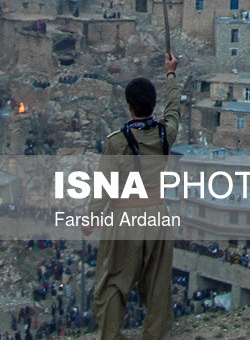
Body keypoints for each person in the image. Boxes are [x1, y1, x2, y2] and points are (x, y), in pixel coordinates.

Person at [85, 54, 180, 340]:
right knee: (158, 283)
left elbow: (103, 183)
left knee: (114, 280)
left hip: (124, 216)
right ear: (153, 105)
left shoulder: (117, 142)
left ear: (129, 106)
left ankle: (112, 335)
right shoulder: (166, 134)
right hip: (158, 215)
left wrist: (92, 216)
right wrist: (171, 75)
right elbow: (174, 111)